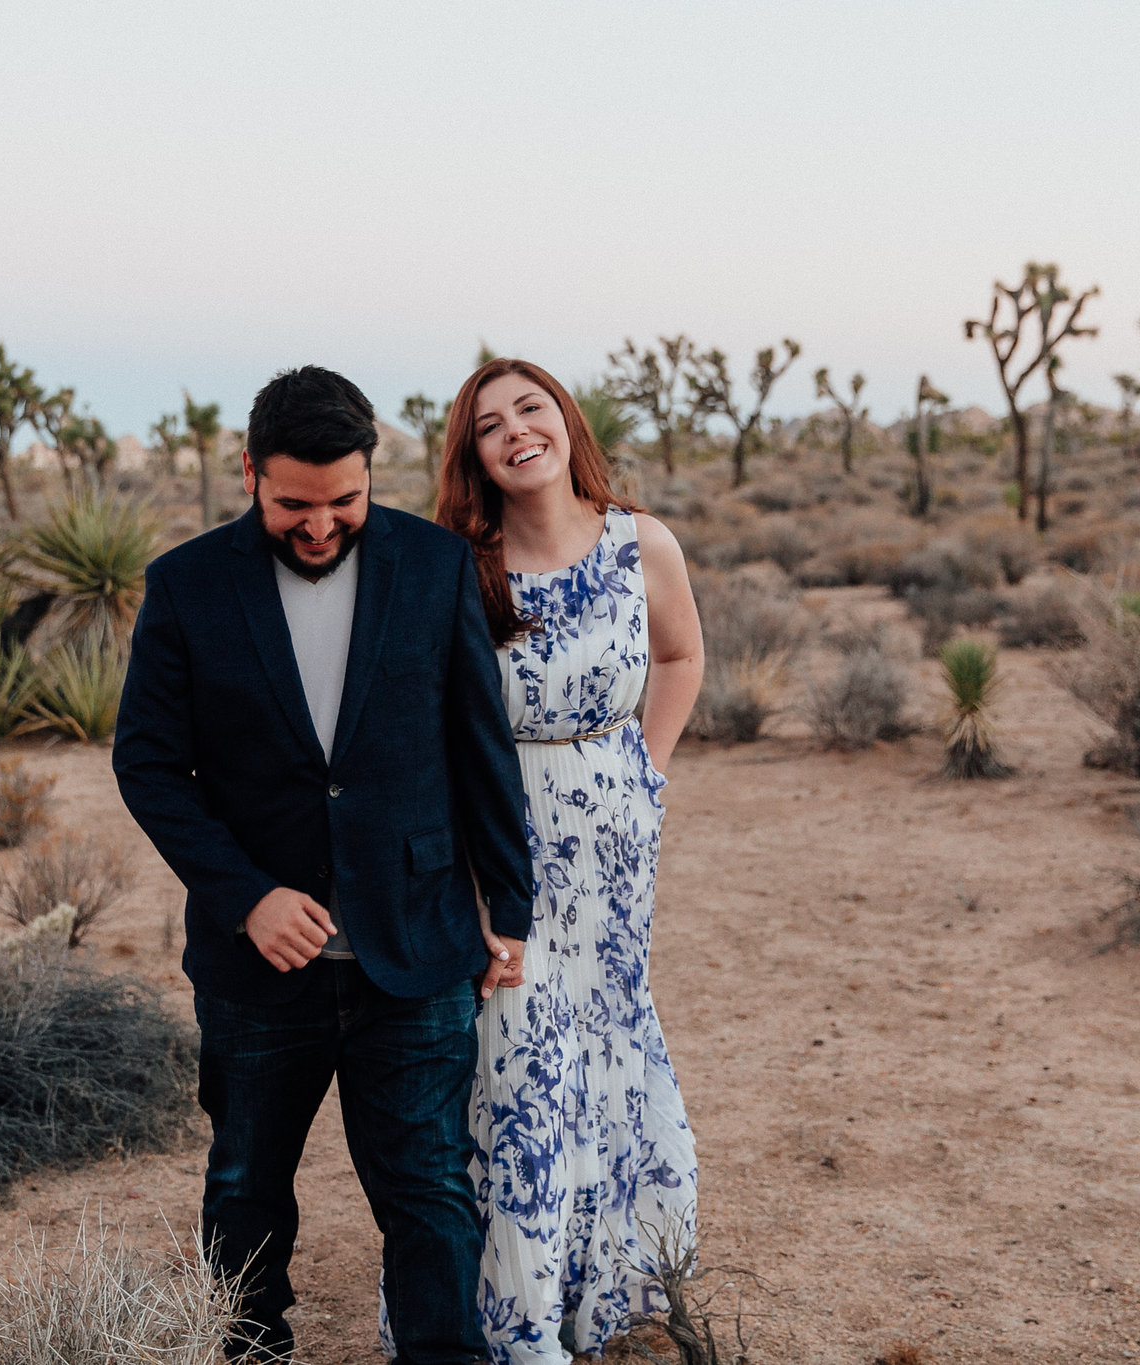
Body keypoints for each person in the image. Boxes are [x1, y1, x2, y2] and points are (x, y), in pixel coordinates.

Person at [113, 365, 535, 1365]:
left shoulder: (434, 568)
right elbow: (146, 763)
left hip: (416, 942)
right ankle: (249, 1349)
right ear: (248, 470)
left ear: (369, 477)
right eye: (292, 504)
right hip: (258, 968)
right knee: (245, 1185)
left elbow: (481, 745)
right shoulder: (183, 584)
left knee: (429, 1191)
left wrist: (507, 907)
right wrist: (245, 896)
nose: (317, 526)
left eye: (343, 502)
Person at [437, 357, 706, 1363]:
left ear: (563, 421)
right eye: (489, 424)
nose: (515, 431)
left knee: (604, 1037)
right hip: (502, 834)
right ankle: (514, 1318)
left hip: (613, 830)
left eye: (530, 408)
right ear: (472, 455)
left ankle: (610, 1294)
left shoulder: (642, 544)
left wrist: (645, 765)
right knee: (516, 1060)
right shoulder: (464, 566)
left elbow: (679, 657)